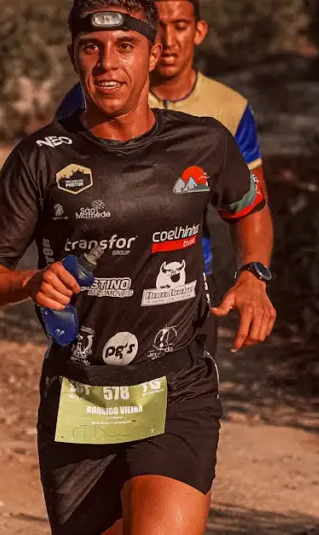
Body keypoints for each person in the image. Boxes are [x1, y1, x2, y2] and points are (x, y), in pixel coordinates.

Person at [0, 0, 275, 533]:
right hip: (80, 392)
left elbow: (251, 209)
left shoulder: (203, 142)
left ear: (152, 56)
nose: (108, 62)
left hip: (178, 382)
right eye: (92, 48)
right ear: (74, 57)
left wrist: (254, 275)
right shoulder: (41, 157)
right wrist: (27, 281)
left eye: (125, 46)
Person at [55, 0, 268, 359]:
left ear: (200, 31)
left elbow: (251, 203)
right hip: (99, 290)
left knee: (187, 405)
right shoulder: (95, 93)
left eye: (181, 26)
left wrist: (254, 274)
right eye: (161, 27)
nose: (169, 41)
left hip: (186, 287)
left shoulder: (229, 108)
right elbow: (58, 181)